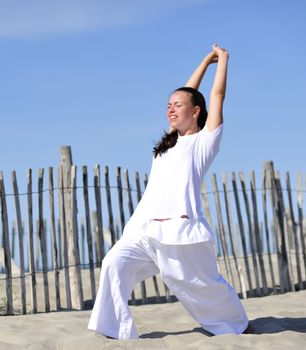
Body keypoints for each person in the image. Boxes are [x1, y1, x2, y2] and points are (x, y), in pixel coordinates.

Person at [87, 44, 250, 340]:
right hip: (145, 230)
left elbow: (216, 95)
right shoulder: (169, 144)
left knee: (199, 284)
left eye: (178, 105)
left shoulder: (203, 143)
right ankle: (116, 332)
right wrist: (204, 60)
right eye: (168, 105)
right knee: (113, 263)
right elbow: (188, 90)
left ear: (196, 111)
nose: (170, 109)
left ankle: (237, 325)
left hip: (181, 232)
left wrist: (222, 60)